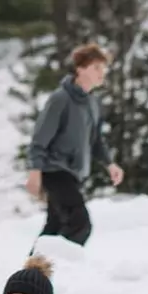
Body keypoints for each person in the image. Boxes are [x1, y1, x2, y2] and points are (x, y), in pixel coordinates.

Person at [26, 43, 124, 248]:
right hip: (55, 170)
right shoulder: (60, 99)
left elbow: (96, 139)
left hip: (73, 173)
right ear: (80, 69)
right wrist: (35, 171)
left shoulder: (92, 103)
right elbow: (40, 138)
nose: (101, 73)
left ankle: (32, 275)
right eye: (96, 67)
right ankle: (53, 270)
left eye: (103, 68)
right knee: (79, 224)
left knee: (54, 228)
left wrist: (110, 164)